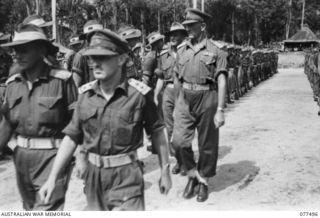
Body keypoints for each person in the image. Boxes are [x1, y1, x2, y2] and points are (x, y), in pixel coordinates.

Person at [39, 29, 172, 211]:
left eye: (103, 58)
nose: (95, 64)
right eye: (92, 58)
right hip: (93, 177)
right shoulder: (85, 96)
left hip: (127, 175)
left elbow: (157, 133)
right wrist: (52, 178)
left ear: (121, 59)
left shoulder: (139, 95)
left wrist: (165, 171)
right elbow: (71, 138)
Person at [0, 24, 78, 210]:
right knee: (29, 209)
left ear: (41, 50)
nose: (17, 55)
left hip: (52, 158)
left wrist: (83, 157)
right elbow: (7, 123)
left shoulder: (62, 81)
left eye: (24, 49)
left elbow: (77, 125)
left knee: (46, 209)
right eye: (15, 50)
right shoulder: (13, 84)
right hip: (22, 159)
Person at [172, 8, 228, 202]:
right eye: (186, 25)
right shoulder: (182, 50)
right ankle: (192, 174)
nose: (187, 29)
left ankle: (202, 181)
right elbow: (177, 77)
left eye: (191, 26)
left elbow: (221, 80)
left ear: (202, 26)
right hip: (185, 98)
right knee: (178, 142)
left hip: (207, 97)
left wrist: (220, 110)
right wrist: (178, 102)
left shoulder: (217, 51)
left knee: (207, 144)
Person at [153, 22, 187, 176]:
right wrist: (155, 95)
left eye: (176, 34)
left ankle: (186, 160)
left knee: (184, 127)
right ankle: (179, 160)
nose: (173, 37)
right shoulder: (163, 55)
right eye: (171, 35)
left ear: (183, 36)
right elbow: (160, 77)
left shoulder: (188, 52)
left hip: (184, 91)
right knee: (168, 127)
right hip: (168, 91)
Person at [72, 20, 103, 87]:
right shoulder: (81, 56)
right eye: (89, 37)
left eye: (96, 35)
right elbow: (76, 83)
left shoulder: (111, 53)